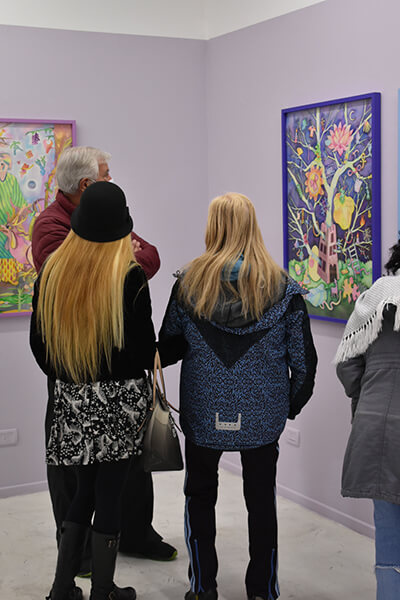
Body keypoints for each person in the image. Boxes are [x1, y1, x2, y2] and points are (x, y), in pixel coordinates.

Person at [158, 193, 318, 600]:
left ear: (213, 227)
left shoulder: (188, 284)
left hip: (202, 411)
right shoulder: (284, 289)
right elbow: (304, 364)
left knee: (198, 497)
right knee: (261, 503)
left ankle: (202, 588)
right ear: (252, 226)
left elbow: (168, 347)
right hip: (263, 416)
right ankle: (261, 591)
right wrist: (286, 408)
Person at [31, 147, 176, 574]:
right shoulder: (50, 228)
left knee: (122, 475)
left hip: (104, 377)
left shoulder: (98, 226)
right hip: (77, 371)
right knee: (76, 476)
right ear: (87, 185)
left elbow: (150, 256)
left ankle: (133, 537)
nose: (113, 179)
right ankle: (84, 561)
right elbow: (78, 280)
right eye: (107, 174)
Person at [335, 241, 400, 600]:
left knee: (389, 539)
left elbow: (347, 362)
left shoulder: (377, 297)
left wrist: (367, 397)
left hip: (377, 428)